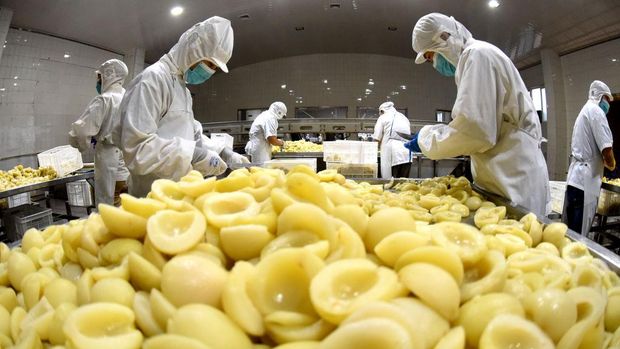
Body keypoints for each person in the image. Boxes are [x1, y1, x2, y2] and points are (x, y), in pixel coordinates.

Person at [405, 13, 550, 216]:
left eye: (432, 56)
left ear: (445, 38)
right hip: (504, 172)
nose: (435, 65)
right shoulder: (474, 58)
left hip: (514, 175)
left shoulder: (478, 55)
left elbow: (474, 131)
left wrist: (426, 139)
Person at [118, 16, 245, 197]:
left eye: (214, 68)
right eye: (209, 63)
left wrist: (222, 152)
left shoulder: (182, 89)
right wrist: (193, 154)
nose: (210, 71)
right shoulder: (153, 79)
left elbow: (192, 134)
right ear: (193, 49)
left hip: (179, 190)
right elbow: (137, 149)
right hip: (152, 194)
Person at [69, 59, 129, 206]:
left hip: (110, 167)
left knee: (108, 210)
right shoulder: (129, 97)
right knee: (125, 209)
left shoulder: (104, 100)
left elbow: (81, 132)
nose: (98, 82)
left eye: (99, 77)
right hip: (128, 167)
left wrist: (82, 144)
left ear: (108, 75)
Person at [563, 80, 616, 234]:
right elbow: (607, 149)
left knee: (569, 232)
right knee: (579, 236)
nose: (608, 104)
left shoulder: (584, 111)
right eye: (607, 99)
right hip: (585, 184)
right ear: (600, 96)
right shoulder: (596, 112)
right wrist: (611, 165)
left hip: (574, 180)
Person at [372, 101, 411, 179]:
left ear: (382, 111)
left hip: (392, 152)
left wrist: (371, 153)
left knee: (390, 181)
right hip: (407, 154)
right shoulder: (404, 117)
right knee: (403, 183)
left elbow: (376, 138)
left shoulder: (383, 117)